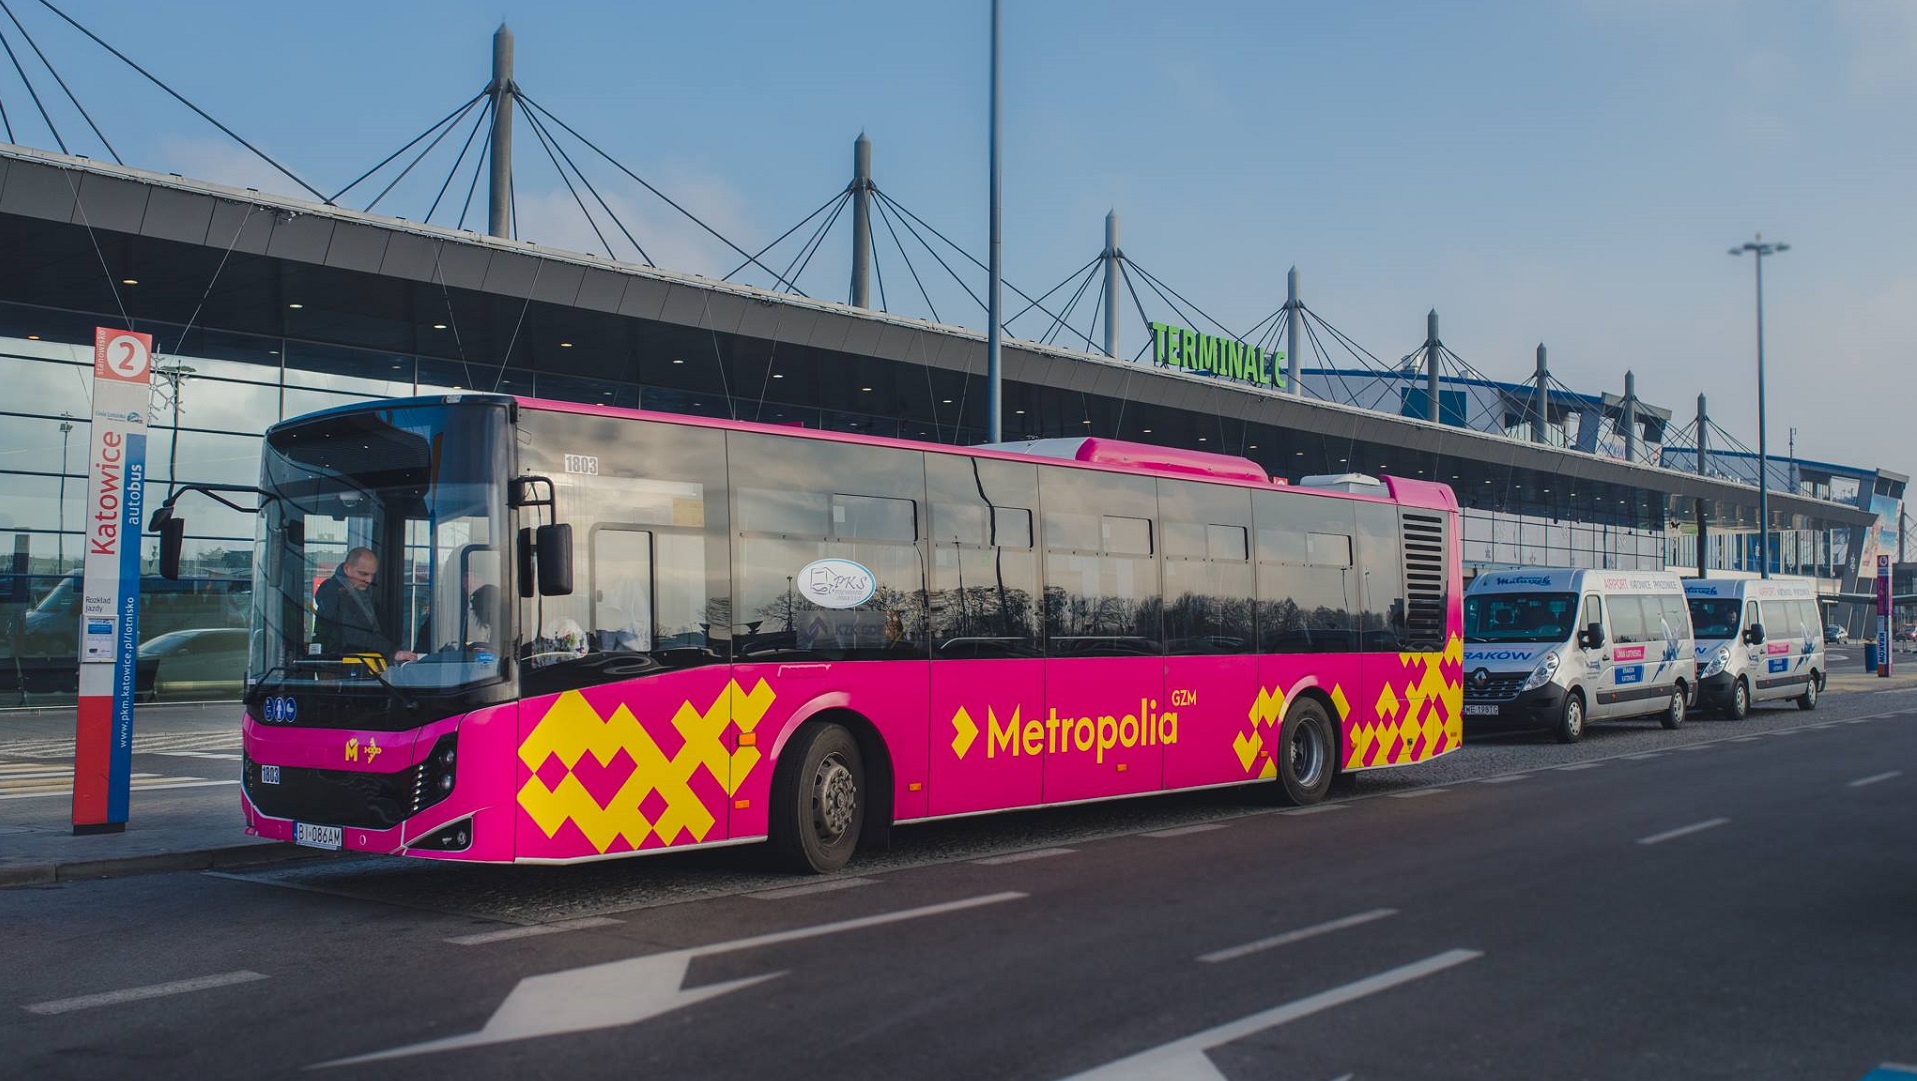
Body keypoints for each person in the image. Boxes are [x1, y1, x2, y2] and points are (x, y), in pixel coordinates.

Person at [314, 547, 418, 663]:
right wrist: (392, 652)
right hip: (338, 664)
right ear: (347, 569)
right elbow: (353, 632)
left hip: (357, 662)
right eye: (363, 574)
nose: (369, 580)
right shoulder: (334, 593)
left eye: (372, 575)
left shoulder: (362, 593)